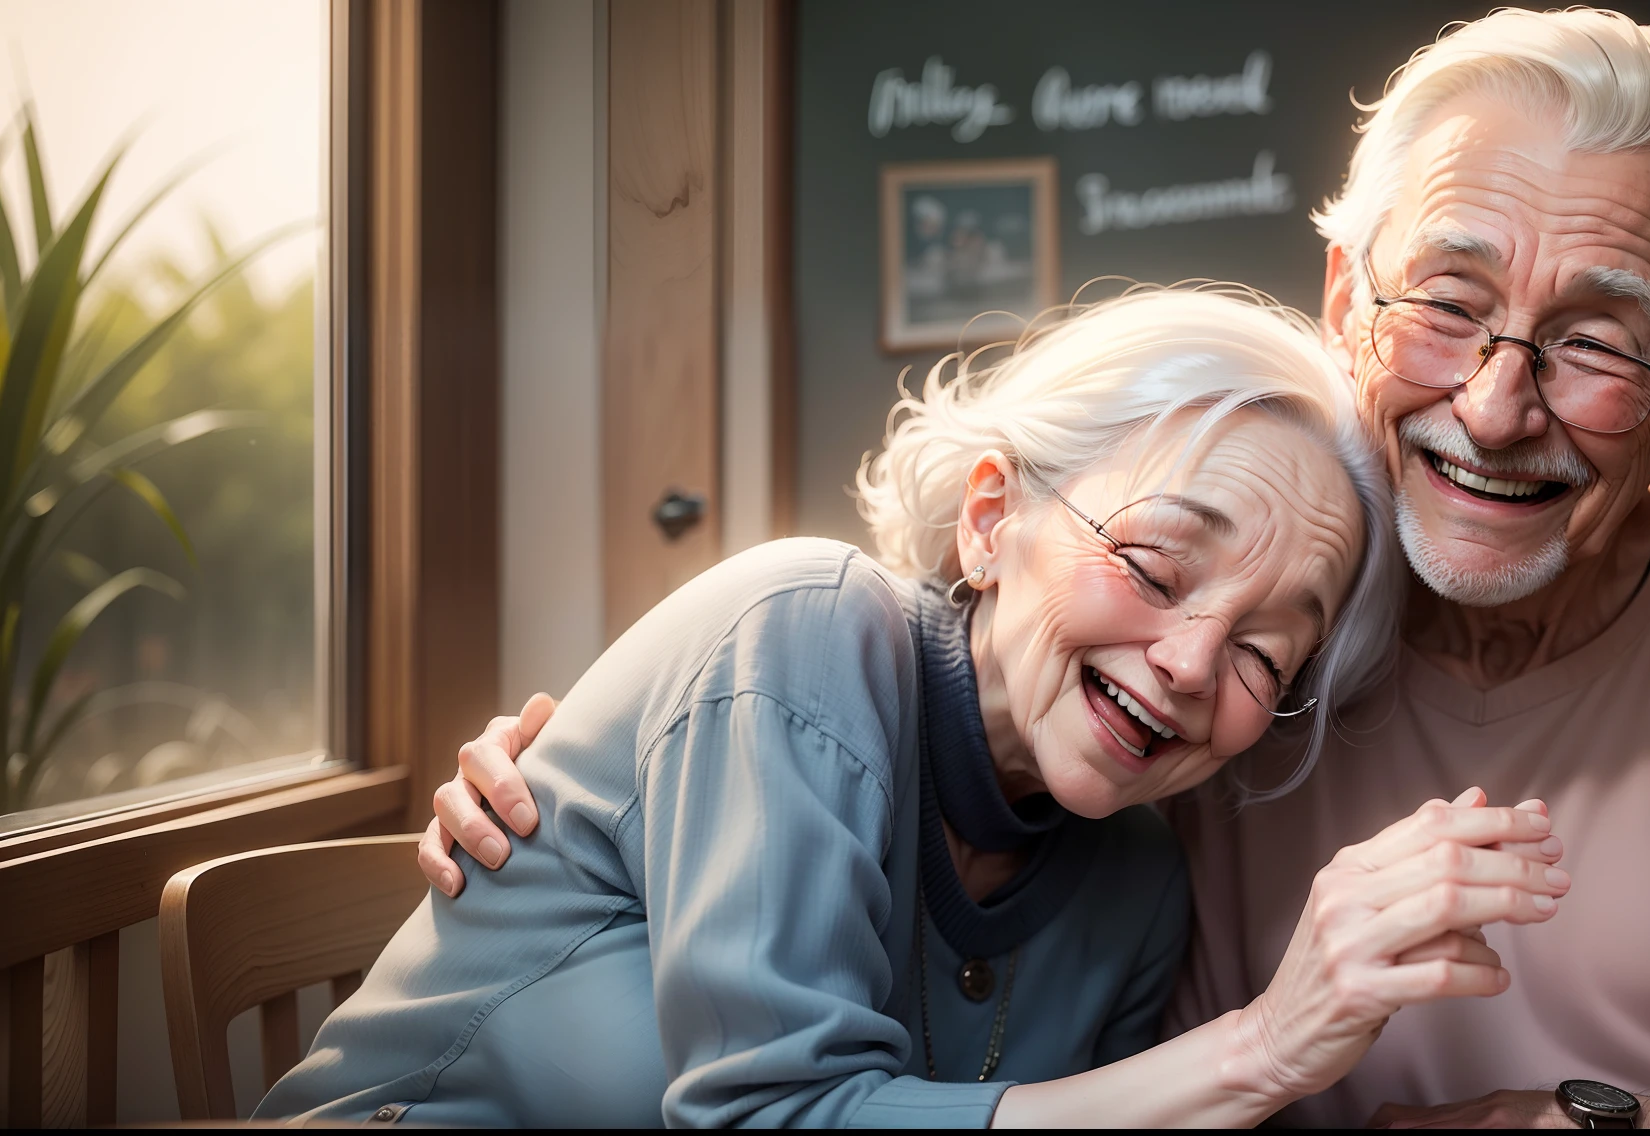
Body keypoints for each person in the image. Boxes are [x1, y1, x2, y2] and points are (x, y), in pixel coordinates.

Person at [441, 9, 1650, 1127]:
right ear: (1347, 295)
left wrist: (1605, 1132)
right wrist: (605, 806)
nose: (1495, 404)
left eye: (1597, 343)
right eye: (1445, 301)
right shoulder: (1194, 664)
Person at [258, 288, 1573, 1128]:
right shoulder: (806, 628)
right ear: (993, 517)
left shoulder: (1136, 890)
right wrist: (1265, 1051)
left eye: (1265, 658)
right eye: (1157, 565)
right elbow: (775, 1119)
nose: (1187, 661)